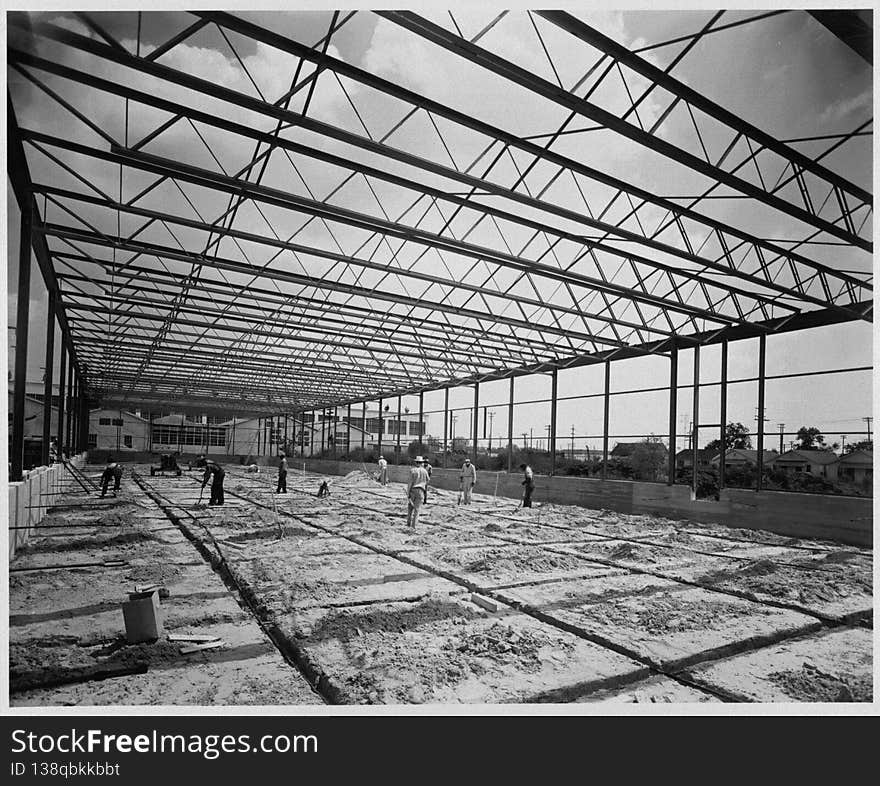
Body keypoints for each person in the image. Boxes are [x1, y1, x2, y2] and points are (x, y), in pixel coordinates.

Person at [406, 456, 430, 529]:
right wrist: (422, 483)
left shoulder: (412, 470)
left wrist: (408, 492)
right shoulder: (424, 471)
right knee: (417, 509)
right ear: (421, 463)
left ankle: (408, 524)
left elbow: (410, 482)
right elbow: (428, 480)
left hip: (413, 490)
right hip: (421, 490)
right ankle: (414, 526)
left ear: (416, 462)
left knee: (410, 508)